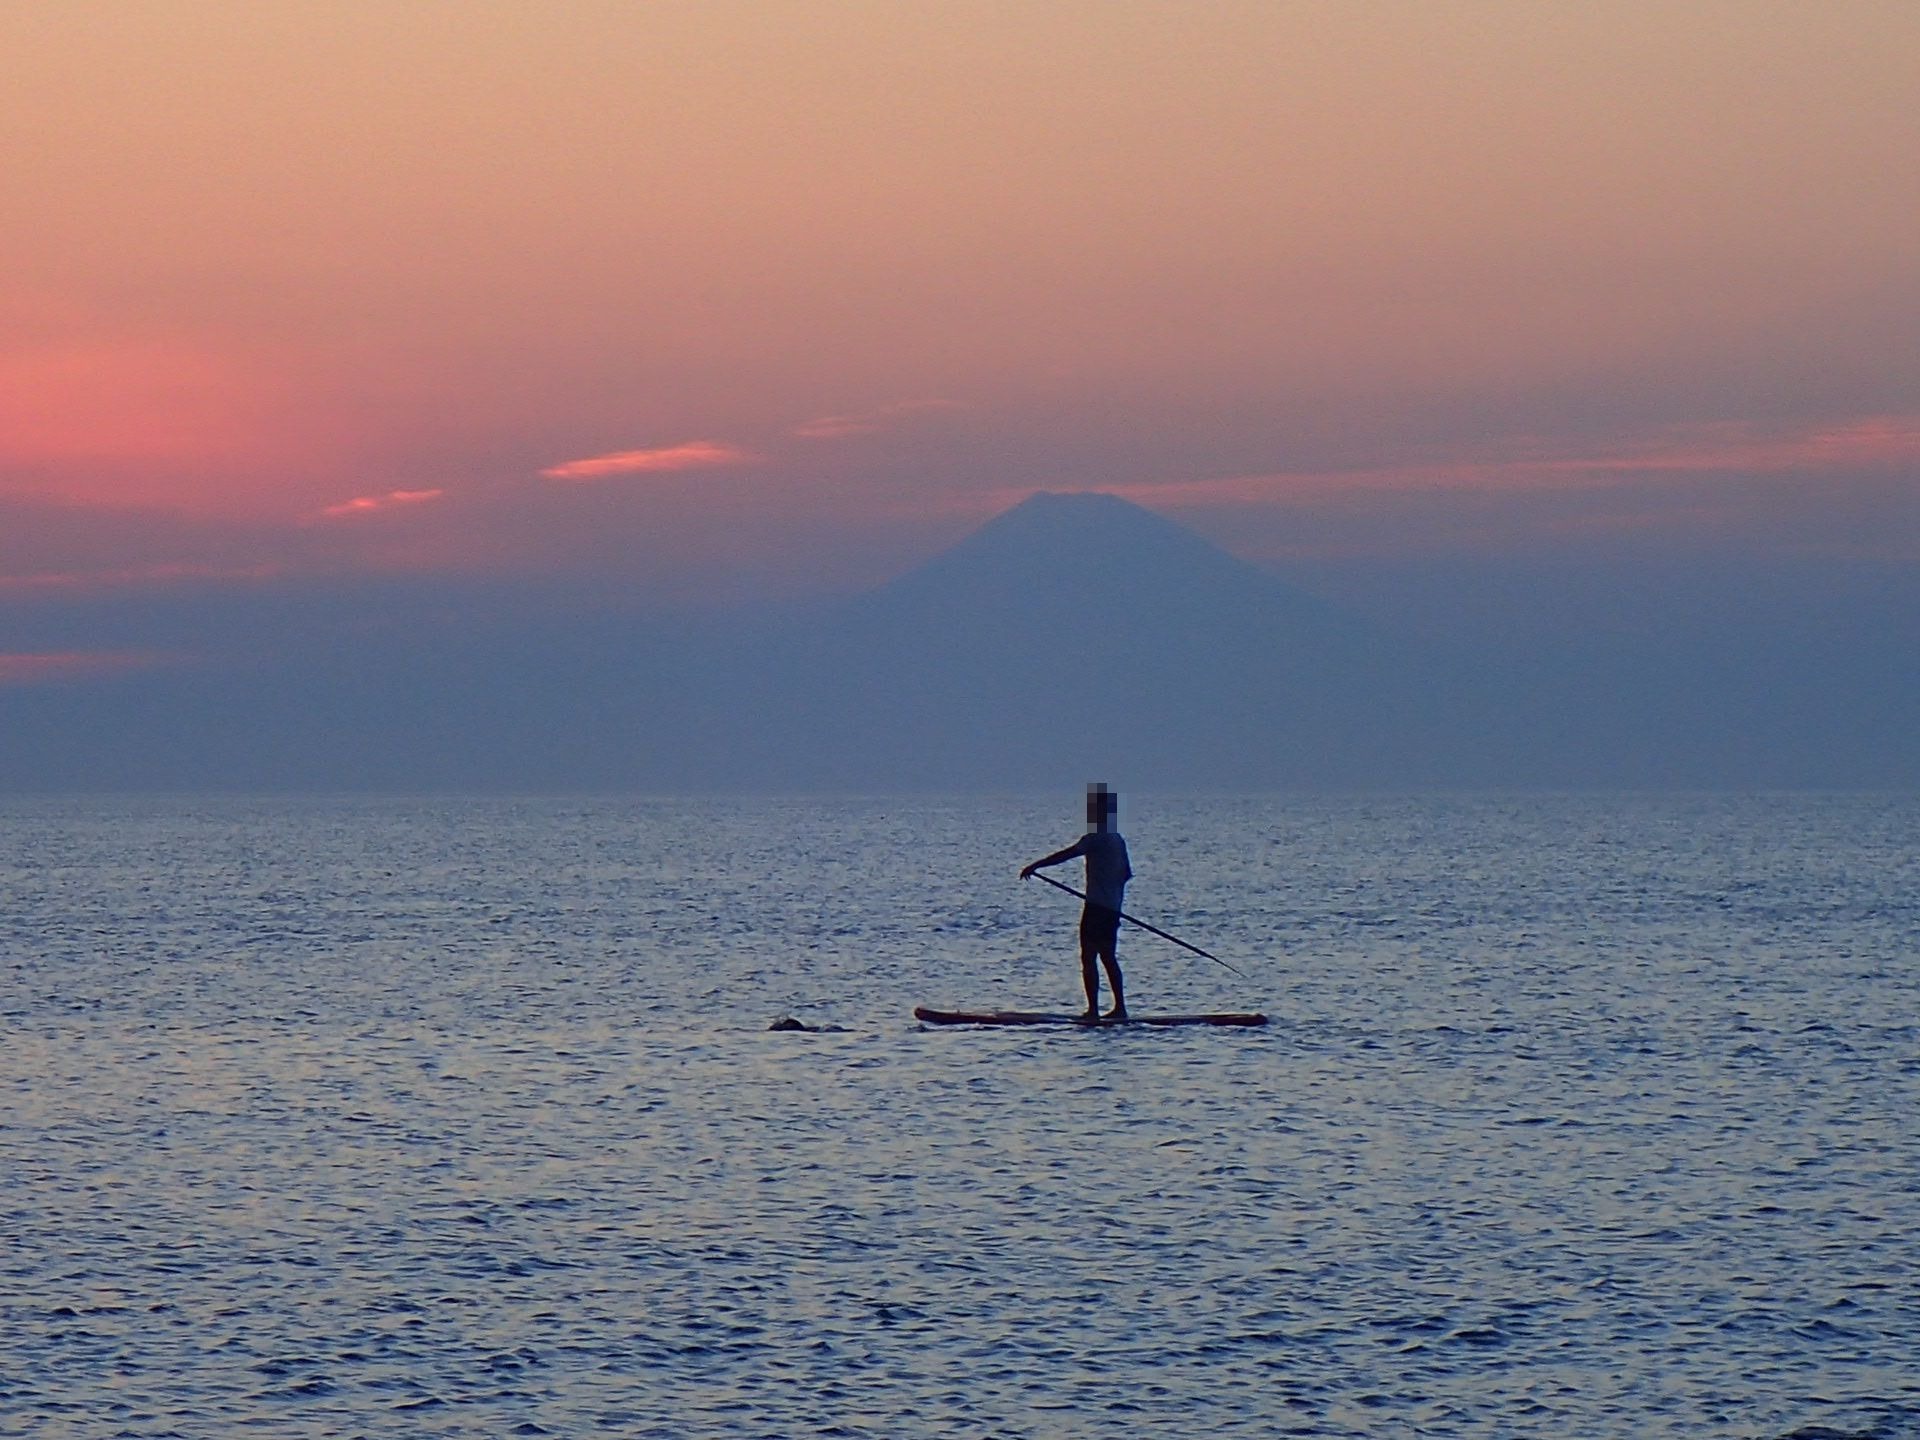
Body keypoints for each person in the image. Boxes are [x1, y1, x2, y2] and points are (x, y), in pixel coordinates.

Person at [1020, 782, 1133, 1022]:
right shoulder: (1117, 839)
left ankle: (1093, 1011)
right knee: (1108, 956)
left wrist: (1036, 865)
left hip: (1096, 908)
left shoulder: (1096, 837)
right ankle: (1120, 1008)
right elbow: (1126, 874)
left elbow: (1067, 854)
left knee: (1089, 956)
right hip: (1112, 909)